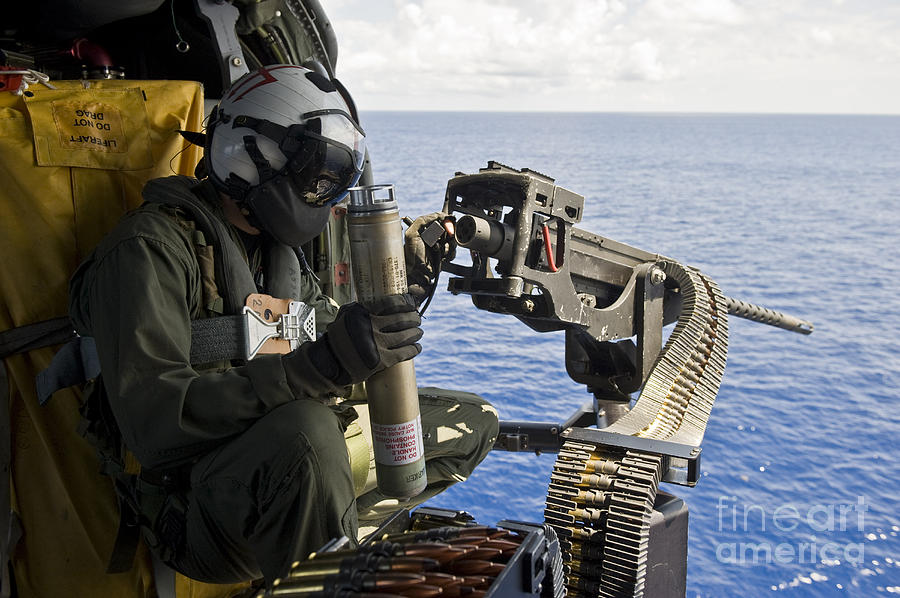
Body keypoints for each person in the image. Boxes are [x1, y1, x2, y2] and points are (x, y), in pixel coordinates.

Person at [67, 64, 498, 586]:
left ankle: (327, 541)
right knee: (308, 435)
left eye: (332, 183)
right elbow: (156, 426)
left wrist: (370, 344)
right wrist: (320, 367)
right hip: (195, 505)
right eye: (316, 179)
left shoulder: (275, 253)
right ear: (247, 153)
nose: (323, 195)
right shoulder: (149, 250)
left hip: (286, 462)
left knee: (471, 421)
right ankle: (323, 576)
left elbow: (326, 342)